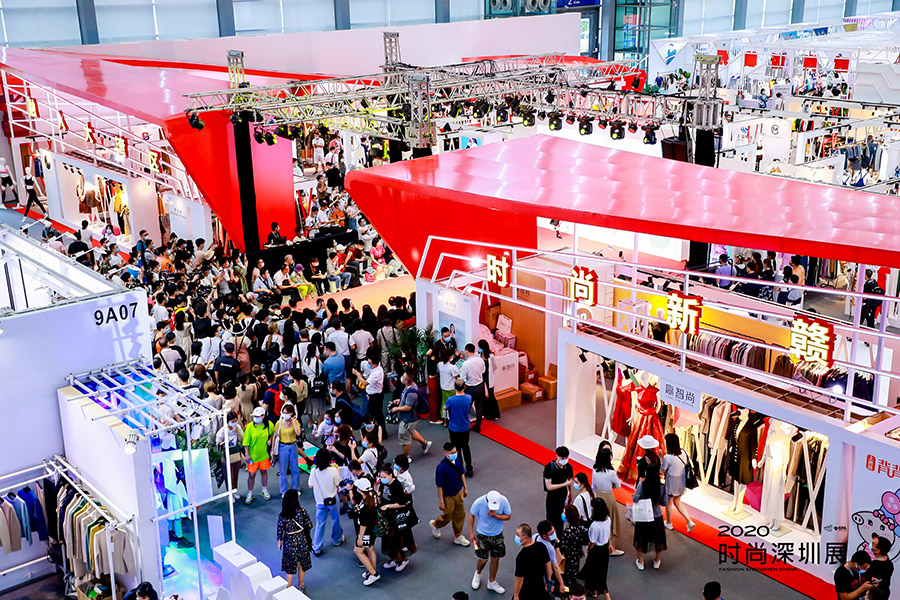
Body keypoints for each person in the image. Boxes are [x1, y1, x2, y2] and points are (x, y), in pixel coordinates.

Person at [632, 435, 666, 570]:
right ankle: (657, 560)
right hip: (656, 514)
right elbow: (664, 502)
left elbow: (635, 498)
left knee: (641, 538)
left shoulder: (642, 481)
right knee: (658, 539)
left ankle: (640, 561)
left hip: (643, 514)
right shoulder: (661, 485)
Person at [377, 462, 416, 572]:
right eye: (381, 477)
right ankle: (394, 558)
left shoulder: (397, 486)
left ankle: (403, 559)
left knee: (398, 540)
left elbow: (402, 503)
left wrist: (388, 506)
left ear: (390, 475)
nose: (382, 479)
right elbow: (380, 493)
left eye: (384, 477)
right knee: (389, 539)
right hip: (387, 517)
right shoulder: (383, 483)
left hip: (397, 517)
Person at [430, 442, 470, 546]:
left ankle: (458, 535)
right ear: (446, 453)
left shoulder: (457, 460)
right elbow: (439, 486)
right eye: (452, 453)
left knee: (460, 514)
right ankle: (435, 524)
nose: (455, 454)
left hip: (458, 492)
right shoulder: (441, 468)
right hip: (448, 496)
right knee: (447, 515)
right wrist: (441, 502)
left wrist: (465, 488)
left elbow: (462, 473)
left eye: (455, 452)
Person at [308, 449, 344, 555]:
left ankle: (316, 547)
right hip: (332, 499)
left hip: (320, 501)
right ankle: (337, 540)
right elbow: (338, 484)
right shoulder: (333, 470)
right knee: (336, 520)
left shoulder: (313, 471)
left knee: (320, 523)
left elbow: (310, 485)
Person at [390, 368, 432, 459]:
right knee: (410, 432)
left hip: (409, 419)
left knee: (405, 437)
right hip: (410, 419)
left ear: (406, 381)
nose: (401, 377)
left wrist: (396, 409)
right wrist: (400, 401)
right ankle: (424, 444)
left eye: (403, 377)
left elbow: (408, 407)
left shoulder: (411, 393)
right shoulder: (411, 387)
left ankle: (405, 458)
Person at [591, 443, 625, 556]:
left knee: (600, 519)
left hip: (599, 495)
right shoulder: (611, 473)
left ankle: (601, 542)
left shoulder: (595, 469)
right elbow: (618, 485)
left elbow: (593, 485)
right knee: (612, 521)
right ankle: (612, 548)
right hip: (609, 497)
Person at [277, 489, 313, 591]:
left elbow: (280, 530)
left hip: (289, 542)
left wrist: (279, 542)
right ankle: (300, 585)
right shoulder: (302, 511)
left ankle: (288, 587)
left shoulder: (283, 515)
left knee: (290, 567)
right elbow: (309, 525)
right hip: (302, 541)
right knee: (302, 564)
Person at [661, 433, 696, 531]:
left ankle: (668, 522)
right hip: (681, 481)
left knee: (669, 502)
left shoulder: (668, 457)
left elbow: (662, 470)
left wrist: (660, 458)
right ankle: (689, 521)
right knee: (677, 501)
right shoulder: (684, 452)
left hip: (671, 482)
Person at [580, 498, 612, 599]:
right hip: (605, 548)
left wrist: (588, 549)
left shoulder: (595, 526)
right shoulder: (608, 519)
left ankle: (595, 590)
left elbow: (592, 542)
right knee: (602, 570)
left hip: (596, 551)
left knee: (593, 571)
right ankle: (595, 590)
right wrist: (610, 544)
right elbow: (608, 533)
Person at [352, 477, 382, 586]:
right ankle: (371, 571)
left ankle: (374, 574)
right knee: (370, 549)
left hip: (366, 532)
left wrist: (360, 538)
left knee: (358, 551)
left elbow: (363, 524)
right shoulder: (372, 496)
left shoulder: (365, 506)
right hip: (372, 529)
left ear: (360, 490)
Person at [242, 407, 274, 504]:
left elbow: (273, 434)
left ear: (263, 416)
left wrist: (270, 440)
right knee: (251, 475)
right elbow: (246, 442)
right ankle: (250, 493)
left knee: (264, 472)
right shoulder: (250, 427)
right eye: (254, 416)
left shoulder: (269, 425)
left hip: (264, 455)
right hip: (253, 456)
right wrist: (247, 455)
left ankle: (264, 489)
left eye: (257, 416)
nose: (255, 418)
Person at [513, 523, 551, 600]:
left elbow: (519, 578)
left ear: (525, 538)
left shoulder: (521, 557)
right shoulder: (541, 546)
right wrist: (548, 580)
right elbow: (548, 564)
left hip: (526, 590)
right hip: (540, 587)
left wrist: (516, 595)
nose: (516, 536)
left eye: (518, 535)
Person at [446, 379, 474, 477]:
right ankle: (469, 468)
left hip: (454, 428)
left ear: (454, 387)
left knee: (456, 448)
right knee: (466, 447)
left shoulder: (451, 400)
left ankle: (460, 468)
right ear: (464, 387)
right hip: (465, 427)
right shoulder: (468, 397)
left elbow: (446, 408)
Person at [543, 446, 573, 535]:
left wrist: (571, 498)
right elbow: (549, 487)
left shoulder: (568, 467)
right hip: (552, 498)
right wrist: (564, 484)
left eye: (566, 457)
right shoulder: (550, 467)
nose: (564, 460)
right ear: (557, 456)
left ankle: (559, 538)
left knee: (561, 521)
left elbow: (570, 483)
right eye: (562, 458)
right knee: (551, 521)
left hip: (563, 498)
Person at [275, 403, 303, 497]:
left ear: (291, 413)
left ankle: (296, 488)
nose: (285, 414)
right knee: (283, 470)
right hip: (282, 446)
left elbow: (298, 433)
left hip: (293, 446)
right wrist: (272, 449)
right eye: (283, 412)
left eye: (287, 413)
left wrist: (294, 422)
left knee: (295, 468)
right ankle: (284, 490)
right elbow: (275, 435)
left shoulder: (295, 422)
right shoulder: (279, 423)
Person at [216, 411, 244, 501]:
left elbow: (241, 440)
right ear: (227, 421)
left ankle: (234, 490)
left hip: (235, 452)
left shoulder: (238, 427)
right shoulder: (222, 430)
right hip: (226, 454)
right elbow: (218, 443)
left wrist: (237, 432)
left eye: (235, 421)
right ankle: (229, 493)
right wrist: (225, 442)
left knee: (235, 473)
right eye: (232, 421)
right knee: (229, 475)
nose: (234, 423)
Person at [559, 505, 588, 590]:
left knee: (568, 576)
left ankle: (569, 591)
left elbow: (563, 546)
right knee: (574, 573)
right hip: (576, 554)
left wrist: (558, 543)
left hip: (568, 557)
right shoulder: (579, 526)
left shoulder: (568, 532)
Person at [533, 520, 565, 595]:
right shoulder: (549, 548)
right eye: (551, 533)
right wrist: (561, 583)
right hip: (543, 573)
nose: (554, 534)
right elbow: (555, 567)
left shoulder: (535, 536)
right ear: (544, 536)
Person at [460, 344, 486, 432]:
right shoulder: (480, 360)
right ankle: (478, 426)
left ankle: (464, 425)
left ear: (467, 351)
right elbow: (483, 371)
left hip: (471, 388)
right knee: (479, 407)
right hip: (480, 385)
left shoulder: (466, 364)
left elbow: (462, 377)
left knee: (467, 407)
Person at [478, 339, 501, 421]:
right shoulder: (478, 355)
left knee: (491, 395)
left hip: (488, 377)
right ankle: (484, 413)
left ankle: (495, 414)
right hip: (481, 377)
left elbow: (494, 366)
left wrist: (491, 373)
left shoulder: (491, 356)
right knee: (482, 395)